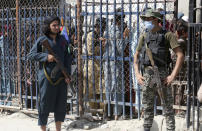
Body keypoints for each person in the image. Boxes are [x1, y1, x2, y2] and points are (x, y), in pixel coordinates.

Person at [133, 9, 184, 131]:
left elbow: (180, 55)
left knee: (167, 108)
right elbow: (136, 56)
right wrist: (137, 74)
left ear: (156, 20)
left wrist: (172, 76)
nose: (145, 21)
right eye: (145, 19)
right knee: (147, 107)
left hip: (162, 75)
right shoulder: (144, 36)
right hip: (147, 75)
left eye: (148, 19)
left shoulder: (167, 35)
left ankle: (170, 129)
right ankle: (146, 128)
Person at [27, 16, 72, 131]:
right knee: (44, 104)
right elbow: (31, 55)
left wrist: (68, 75)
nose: (57, 27)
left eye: (58, 25)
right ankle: (43, 128)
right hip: (46, 77)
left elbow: (67, 58)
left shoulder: (63, 40)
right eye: (54, 25)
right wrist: (46, 56)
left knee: (60, 105)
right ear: (48, 27)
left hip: (61, 77)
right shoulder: (42, 40)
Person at [103, 7, 129, 120]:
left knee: (108, 86)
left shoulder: (108, 29)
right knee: (117, 87)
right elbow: (120, 48)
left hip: (106, 60)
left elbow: (104, 44)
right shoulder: (118, 31)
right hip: (115, 61)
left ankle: (107, 112)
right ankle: (117, 114)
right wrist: (126, 37)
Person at [82, 18, 106, 114]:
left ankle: (102, 111)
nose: (101, 29)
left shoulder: (102, 35)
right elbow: (91, 51)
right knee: (90, 89)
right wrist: (100, 43)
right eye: (100, 27)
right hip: (91, 65)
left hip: (100, 64)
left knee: (102, 88)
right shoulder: (91, 35)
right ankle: (93, 111)